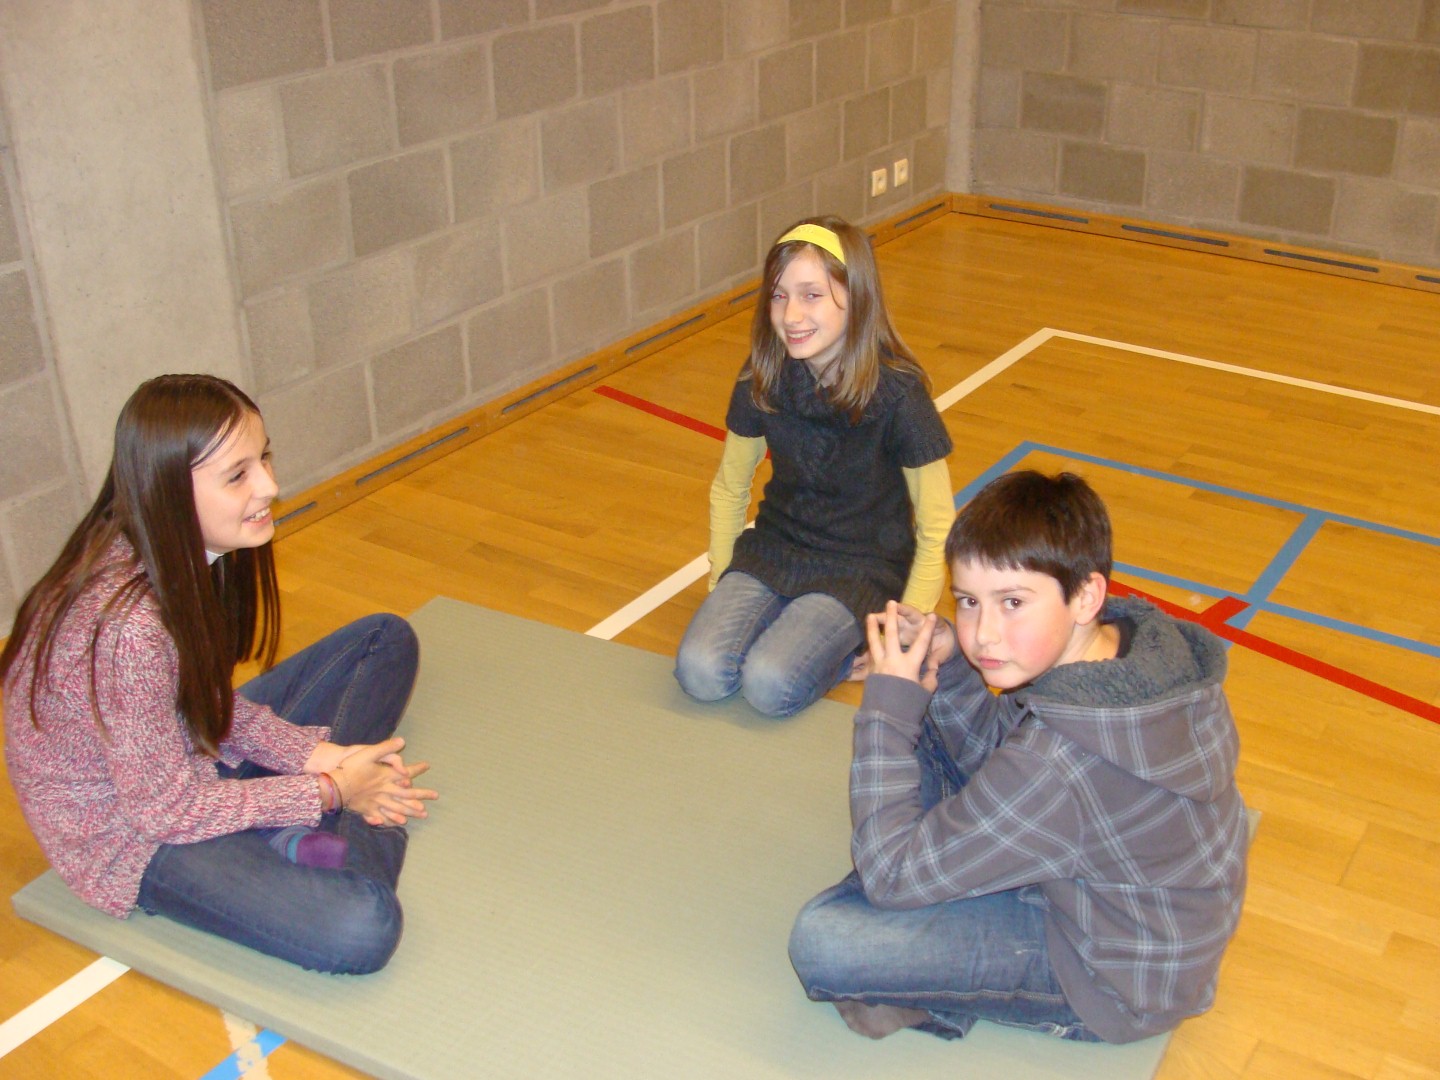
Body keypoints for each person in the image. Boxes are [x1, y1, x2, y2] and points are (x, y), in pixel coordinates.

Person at [788, 470, 1248, 1043]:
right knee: (924, 719)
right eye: (968, 602)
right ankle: (936, 881)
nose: (984, 634)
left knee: (824, 939)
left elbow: (890, 877)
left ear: (1086, 596)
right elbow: (1004, 751)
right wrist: (950, 665)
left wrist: (884, 709)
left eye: (1011, 602)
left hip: (1108, 979)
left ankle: (935, 979)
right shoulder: (1129, 651)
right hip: (1124, 907)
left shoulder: (1060, 764)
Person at [2, 374, 438, 974]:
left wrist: (324, 758)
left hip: (183, 756)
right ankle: (345, 821)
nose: (270, 486)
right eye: (238, 476)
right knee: (364, 926)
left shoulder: (180, 551)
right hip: (137, 835)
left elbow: (207, 706)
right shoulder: (130, 629)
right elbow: (163, 811)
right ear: (168, 492)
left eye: (263, 459)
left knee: (384, 640)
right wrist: (334, 790)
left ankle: (304, 826)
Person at [673, 215, 954, 717]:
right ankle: (793, 627)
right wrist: (722, 580)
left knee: (769, 684)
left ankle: (840, 651)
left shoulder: (901, 397)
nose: (791, 315)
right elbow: (729, 488)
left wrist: (900, 631)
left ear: (857, 298)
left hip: (860, 567)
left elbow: (937, 524)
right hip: (776, 548)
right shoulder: (761, 378)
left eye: (812, 295)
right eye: (779, 296)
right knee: (700, 672)